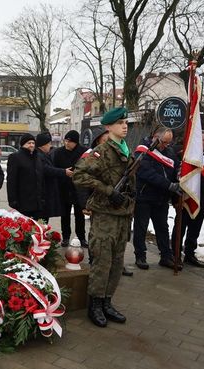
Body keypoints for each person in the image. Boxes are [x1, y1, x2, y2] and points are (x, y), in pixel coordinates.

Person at [73, 107, 133, 327]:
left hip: (123, 216)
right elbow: (79, 175)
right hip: (105, 216)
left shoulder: (128, 151)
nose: (124, 126)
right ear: (108, 127)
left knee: (117, 263)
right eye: (120, 123)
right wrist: (108, 190)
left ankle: (108, 303)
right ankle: (95, 305)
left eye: (126, 122)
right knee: (102, 262)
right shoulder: (100, 151)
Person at [133, 127, 180, 270]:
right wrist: (169, 185)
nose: (166, 146)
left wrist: (178, 176)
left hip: (162, 198)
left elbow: (175, 167)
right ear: (155, 137)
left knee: (162, 228)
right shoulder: (143, 151)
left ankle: (166, 256)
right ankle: (140, 256)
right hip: (144, 196)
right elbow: (147, 173)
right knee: (141, 228)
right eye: (164, 142)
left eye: (169, 143)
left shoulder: (170, 152)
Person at [172, 130, 204, 268]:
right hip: (186, 199)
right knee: (181, 228)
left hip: (203, 200)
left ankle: (189, 254)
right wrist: (176, 199)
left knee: (195, 230)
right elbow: (178, 178)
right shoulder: (185, 155)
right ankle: (175, 254)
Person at [53, 130, 88, 247]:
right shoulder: (58, 152)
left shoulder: (83, 152)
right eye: (66, 141)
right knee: (65, 214)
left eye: (70, 142)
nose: (67, 143)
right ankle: (66, 237)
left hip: (79, 189)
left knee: (80, 215)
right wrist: (63, 173)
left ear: (76, 142)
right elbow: (54, 168)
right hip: (64, 187)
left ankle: (82, 237)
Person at [7, 134, 44, 219]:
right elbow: (11, 180)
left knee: (36, 228)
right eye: (28, 143)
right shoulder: (15, 157)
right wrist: (12, 200)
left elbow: (41, 178)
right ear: (23, 144)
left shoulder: (38, 157)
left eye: (33, 143)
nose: (31, 145)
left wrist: (42, 198)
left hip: (37, 202)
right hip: (22, 201)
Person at [35, 132, 64, 224]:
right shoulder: (38, 155)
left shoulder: (44, 154)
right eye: (49, 144)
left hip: (46, 194)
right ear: (43, 145)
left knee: (44, 220)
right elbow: (47, 170)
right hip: (43, 194)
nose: (50, 146)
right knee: (41, 222)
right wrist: (64, 172)